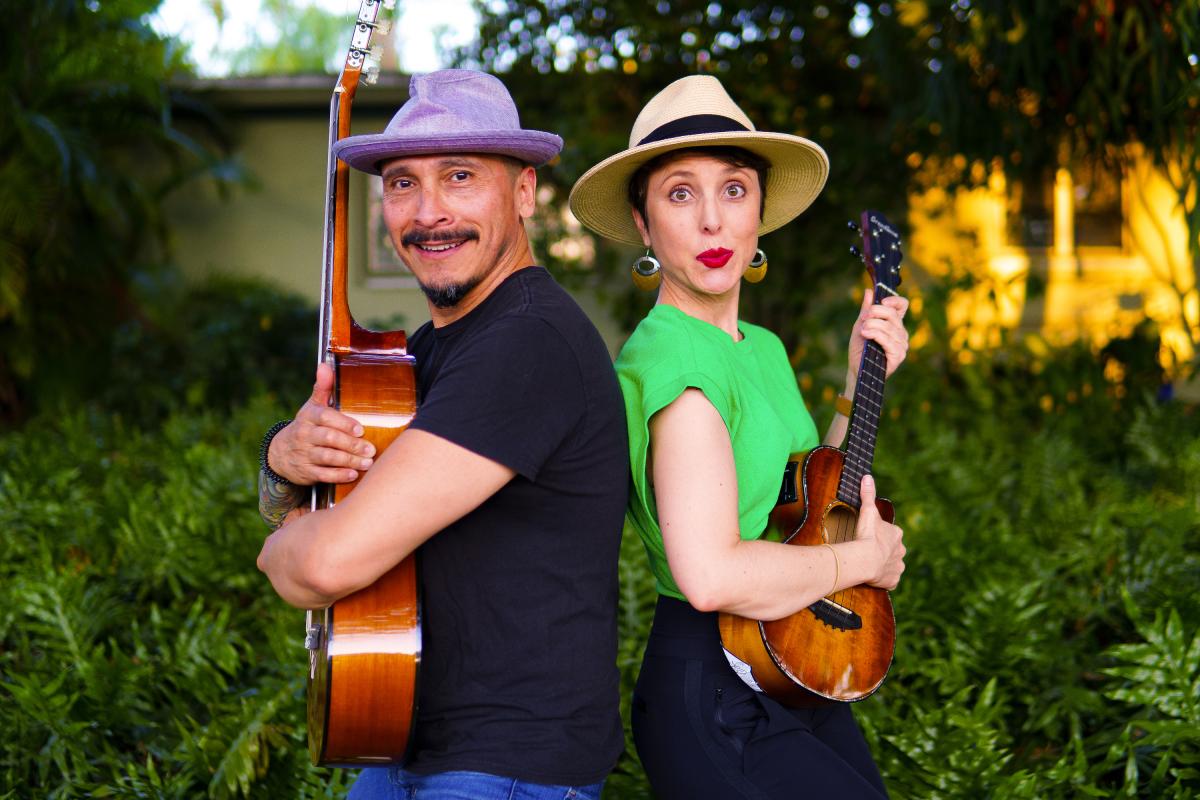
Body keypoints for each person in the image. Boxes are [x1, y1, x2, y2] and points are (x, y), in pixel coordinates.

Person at [255, 69, 628, 800]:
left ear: (524, 193)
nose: (428, 212)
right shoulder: (417, 356)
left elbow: (326, 562)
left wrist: (279, 548)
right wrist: (281, 460)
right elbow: (317, 511)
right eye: (401, 184)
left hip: (506, 766)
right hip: (401, 740)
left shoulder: (527, 345)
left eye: (460, 177)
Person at [568, 75, 910, 798]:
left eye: (733, 190)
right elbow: (712, 575)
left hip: (791, 662)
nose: (713, 223)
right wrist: (862, 560)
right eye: (681, 194)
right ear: (643, 221)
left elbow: (806, 500)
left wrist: (858, 380)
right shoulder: (673, 360)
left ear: (758, 208)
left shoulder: (761, 348)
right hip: (713, 695)